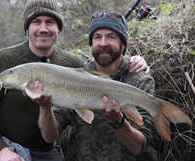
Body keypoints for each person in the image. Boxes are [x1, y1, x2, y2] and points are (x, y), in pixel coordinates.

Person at [0, 0, 149, 160]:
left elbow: (99, 71)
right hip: (5, 147)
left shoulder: (73, 64)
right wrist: (1, 150)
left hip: (46, 150)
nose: (43, 28)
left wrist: (135, 61)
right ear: (27, 28)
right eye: (36, 22)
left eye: (50, 22)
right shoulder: (3, 59)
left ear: (59, 29)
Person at [34, 10, 158, 161]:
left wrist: (118, 122)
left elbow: (139, 147)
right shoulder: (75, 77)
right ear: (91, 44)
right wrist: (45, 107)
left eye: (111, 37)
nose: (103, 43)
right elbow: (49, 137)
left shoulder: (139, 77)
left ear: (123, 44)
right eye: (97, 37)